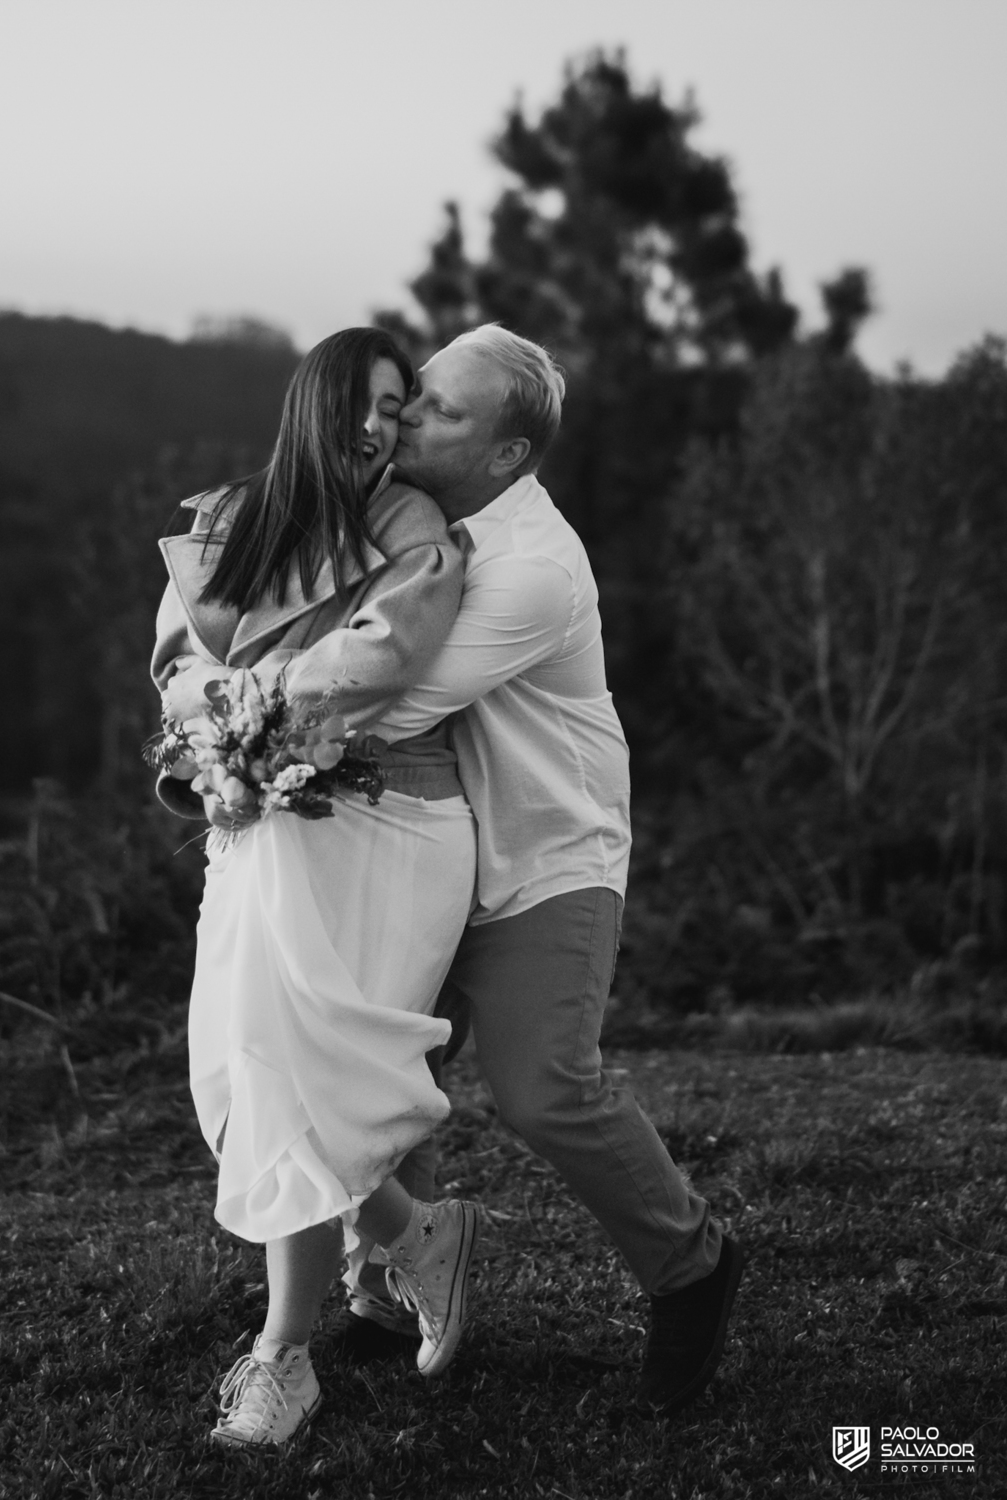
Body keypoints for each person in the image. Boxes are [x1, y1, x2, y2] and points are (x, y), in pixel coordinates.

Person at [232, 323, 747, 1418]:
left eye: (439, 414)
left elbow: (382, 701)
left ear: (508, 456)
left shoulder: (531, 570)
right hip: (428, 842)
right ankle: (385, 1286)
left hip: (545, 853)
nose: (405, 419)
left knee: (541, 1088)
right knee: (382, 1078)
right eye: (410, 397)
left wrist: (223, 710)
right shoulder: (407, 517)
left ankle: (692, 1264)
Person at [151, 328, 483, 1449]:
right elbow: (173, 674)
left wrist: (255, 701)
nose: (378, 429)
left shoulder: (411, 527)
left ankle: (281, 1356)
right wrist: (232, 720)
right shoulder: (223, 523)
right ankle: (414, 1231)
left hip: (383, 828)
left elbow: (384, 654)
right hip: (259, 821)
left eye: (397, 411)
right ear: (313, 403)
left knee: (295, 1072)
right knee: (248, 1064)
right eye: (364, 403)